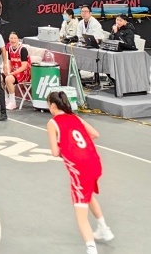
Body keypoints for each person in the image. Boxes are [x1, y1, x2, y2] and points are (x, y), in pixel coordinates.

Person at [45, 91, 114, 254]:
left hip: (79, 170)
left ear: (53, 106)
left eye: (48, 105)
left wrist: (68, 148)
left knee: (81, 214)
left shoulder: (52, 123)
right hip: (94, 163)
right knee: (88, 195)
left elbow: (55, 152)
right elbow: (95, 134)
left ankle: (91, 248)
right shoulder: (75, 117)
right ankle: (104, 228)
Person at [3, 31, 30, 110]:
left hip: (23, 73)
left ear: (18, 39)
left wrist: (12, 73)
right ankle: (6, 100)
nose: (13, 40)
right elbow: (10, 63)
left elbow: (24, 66)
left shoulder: (23, 49)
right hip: (14, 72)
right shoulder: (9, 48)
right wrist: (8, 71)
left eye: (15, 38)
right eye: (11, 38)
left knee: (8, 79)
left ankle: (13, 102)